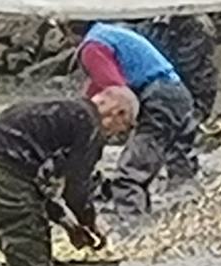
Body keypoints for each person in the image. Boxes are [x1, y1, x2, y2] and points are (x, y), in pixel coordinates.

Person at [0, 86, 139, 266]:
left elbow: (39, 186)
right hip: (8, 178)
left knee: (19, 252)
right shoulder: (88, 125)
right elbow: (77, 189)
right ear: (117, 112)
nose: (117, 134)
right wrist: (90, 221)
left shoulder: (62, 112)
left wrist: (69, 224)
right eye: (125, 126)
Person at [76, 22, 195, 212]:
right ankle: (189, 218)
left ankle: (133, 233)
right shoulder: (109, 33)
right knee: (181, 169)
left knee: (129, 177)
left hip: (158, 99)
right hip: (177, 94)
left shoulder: (93, 47)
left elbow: (117, 94)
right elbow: (98, 88)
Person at [134, 15, 218, 178]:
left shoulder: (195, 24)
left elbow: (185, 61)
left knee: (182, 136)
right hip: (168, 89)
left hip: (194, 88)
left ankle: (182, 178)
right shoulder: (152, 24)